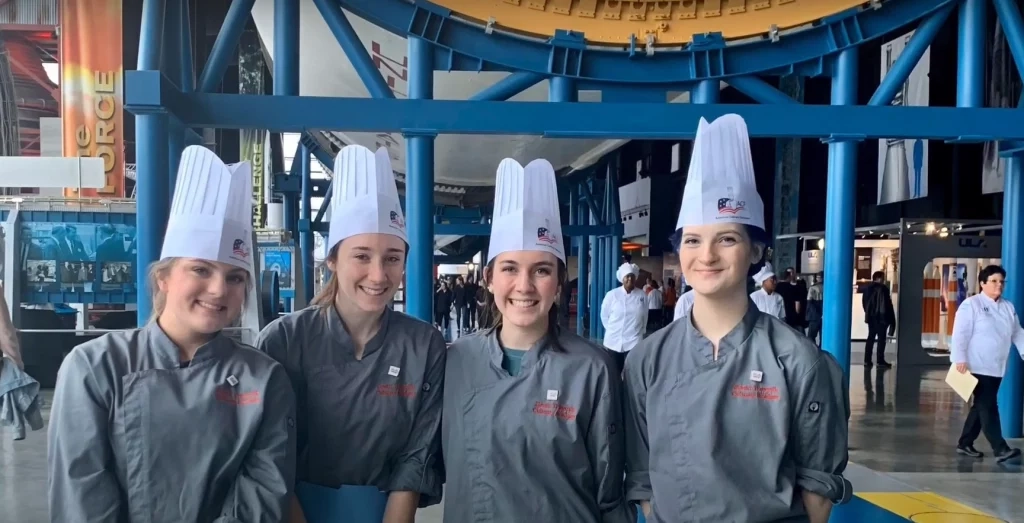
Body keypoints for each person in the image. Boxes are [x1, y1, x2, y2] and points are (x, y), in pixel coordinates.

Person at [48, 146, 296, 522]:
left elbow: (264, 493)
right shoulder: (95, 366)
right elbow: (81, 493)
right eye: (200, 270)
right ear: (163, 277)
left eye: (235, 277)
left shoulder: (263, 378)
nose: (218, 290)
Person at [623, 115, 851, 523]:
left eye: (727, 239)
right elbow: (644, 479)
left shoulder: (800, 362)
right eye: (693, 240)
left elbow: (818, 489)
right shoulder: (647, 360)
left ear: (756, 251)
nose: (707, 255)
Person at [257, 145, 445, 523]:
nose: (378, 275)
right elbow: (267, 451)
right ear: (332, 260)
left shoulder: (424, 345)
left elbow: (418, 451)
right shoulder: (284, 340)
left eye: (392, 258)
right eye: (361, 256)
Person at [442, 158, 633, 523]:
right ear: (489, 278)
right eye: (510, 268)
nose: (524, 286)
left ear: (559, 283)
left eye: (541, 270)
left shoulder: (591, 369)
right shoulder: (456, 361)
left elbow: (610, 494)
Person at [952, 265, 1023, 463]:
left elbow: (1017, 333)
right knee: (988, 405)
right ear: (983, 283)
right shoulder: (971, 305)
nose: (998, 285)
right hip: (975, 365)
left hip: (996, 365)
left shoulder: (1008, 307)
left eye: (1001, 281)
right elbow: (960, 333)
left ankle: (965, 442)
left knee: (981, 406)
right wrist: (960, 358)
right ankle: (1000, 448)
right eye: (994, 281)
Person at [601, 262, 648, 374]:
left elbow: (645, 315)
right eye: (627, 276)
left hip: (634, 340)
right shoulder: (612, 295)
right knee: (613, 372)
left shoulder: (642, 295)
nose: (630, 279)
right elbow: (604, 315)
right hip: (613, 341)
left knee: (632, 372)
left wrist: (641, 332)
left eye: (632, 276)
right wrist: (612, 330)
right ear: (622, 278)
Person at [861, 271, 895, 367]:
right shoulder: (883, 289)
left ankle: (867, 360)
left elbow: (864, 303)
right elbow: (887, 305)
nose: (884, 280)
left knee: (870, 338)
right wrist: (889, 318)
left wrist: (868, 313)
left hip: (871, 318)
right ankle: (880, 360)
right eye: (883, 278)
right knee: (881, 340)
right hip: (881, 318)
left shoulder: (867, 288)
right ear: (879, 278)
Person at [778, 267, 807, 332]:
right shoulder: (793, 287)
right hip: (789, 316)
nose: (791, 274)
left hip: (792, 317)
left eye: (792, 272)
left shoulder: (799, 285)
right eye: (789, 273)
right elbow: (797, 305)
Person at [806, 273, 824, 347]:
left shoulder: (812, 288)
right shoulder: (828, 287)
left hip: (814, 315)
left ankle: (814, 350)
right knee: (823, 336)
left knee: (811, 336)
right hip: (825, 314)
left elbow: (809, 301)